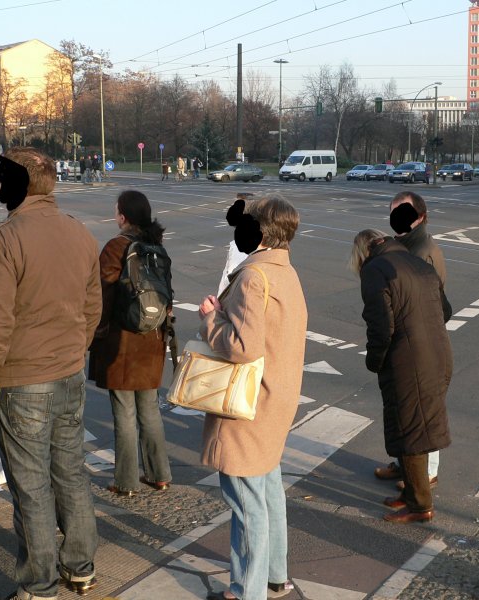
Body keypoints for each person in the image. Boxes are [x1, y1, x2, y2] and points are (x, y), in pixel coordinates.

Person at [0, 148, 102, 599]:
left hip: (23, 380)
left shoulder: (5, 239)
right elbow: (91, 308)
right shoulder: (79, 233)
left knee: (31, 487)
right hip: (67, 372)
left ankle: (39, 585)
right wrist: (72, 350)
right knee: (70, 472)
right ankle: (80, 566)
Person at [198, 194, 306, 600]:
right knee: (268, 492)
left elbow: (242, 346)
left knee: (247, 504)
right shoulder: (286, 273)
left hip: (248, 407)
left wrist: (211, 317)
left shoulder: (253, 277)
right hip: (275, 400)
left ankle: (248, 591)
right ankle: (275, 575)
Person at [350, 229, 452, 523]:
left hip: (408, 361)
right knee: (416, 425)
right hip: (438, 354)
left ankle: (420, 506)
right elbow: (445, 310)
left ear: (362, 252)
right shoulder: (419, 265)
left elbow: (381, 324)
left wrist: (375, 360)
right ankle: (410, 495)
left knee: (410, 432)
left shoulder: (375, 270)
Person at [88, 190, 173, 498]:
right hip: (152, 340)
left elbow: (103, 295)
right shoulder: (155, 246)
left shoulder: (116, 247)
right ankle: (160, 474)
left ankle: (126, 481)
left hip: (122, 342)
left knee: (124, 412)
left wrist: (95, 332)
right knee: (149, 409)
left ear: (123, 216)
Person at [374, 190, 447, 491]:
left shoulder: (422, 251)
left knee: (422, 411)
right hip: (407, 337)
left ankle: (425, 473)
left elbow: (431, 302)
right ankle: (406, 464)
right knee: (405, 409)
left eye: (403, 212)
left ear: (421, 216)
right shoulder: (404, 246)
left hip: (419, 340)